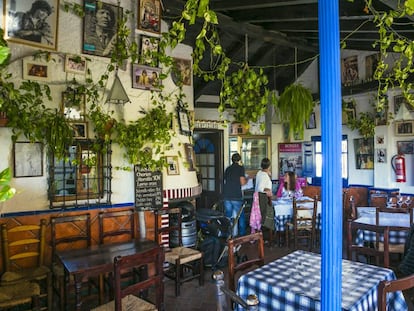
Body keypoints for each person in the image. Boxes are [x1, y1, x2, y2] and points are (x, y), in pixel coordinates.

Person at [223, 153, 248, 237]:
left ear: (232, 160)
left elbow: (225, 181)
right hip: (236, 195)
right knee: (239, 215)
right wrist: (247, 179)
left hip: (226, 194)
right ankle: (242, 234)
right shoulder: (241, 168)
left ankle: (228, 234)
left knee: (228, 216)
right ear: (239, 160)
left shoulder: (228, 169)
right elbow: (242, 182)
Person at [255, 158, 274, 230]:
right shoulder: (264, 175)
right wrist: (268, 192)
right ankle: (263, 235)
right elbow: (261, 188)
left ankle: (261, 233)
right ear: (269, 166)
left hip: (258, 196)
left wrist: (268, 174)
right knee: (264, 216)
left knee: (260, 215)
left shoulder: (259, 173)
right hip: (262, 197)